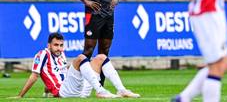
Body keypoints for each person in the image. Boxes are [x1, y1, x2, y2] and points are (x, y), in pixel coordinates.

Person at [12, 33, 140, 99]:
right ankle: (100, 91)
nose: (59, 48)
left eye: (61, 45)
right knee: (80, 58)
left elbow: (57, 74)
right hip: (64, 92)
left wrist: (46, 92)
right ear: (48, 45)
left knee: (101, 57)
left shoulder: (61, 55)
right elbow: (35, 76)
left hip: (77, 90)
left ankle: (122, 90)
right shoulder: (42, 54)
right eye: (56, 45)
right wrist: (20, 96)